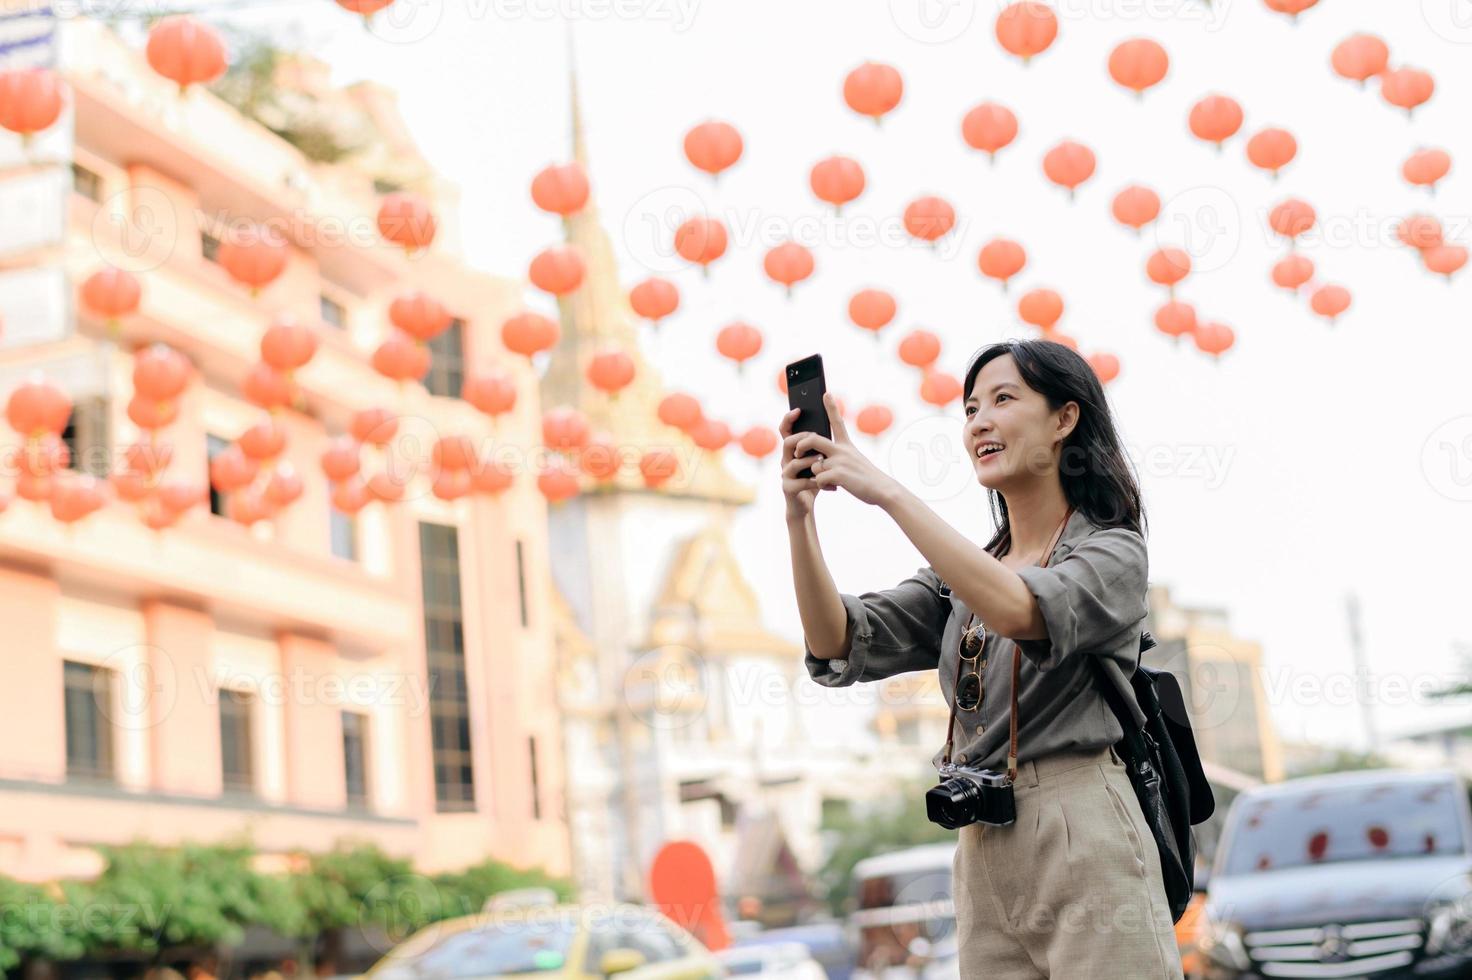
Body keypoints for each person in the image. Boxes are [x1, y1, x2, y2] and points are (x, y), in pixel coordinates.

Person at [782, 339, 1182, 979]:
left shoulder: (1112, 554)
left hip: (1082, 821)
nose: (980, 423)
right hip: (982, 840)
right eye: (970, 409)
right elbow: (836, 640)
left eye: (1003, 399)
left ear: (1064, 420)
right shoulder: (963, 578)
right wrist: (798, 517)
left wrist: (887, 491)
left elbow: (1020, 611)